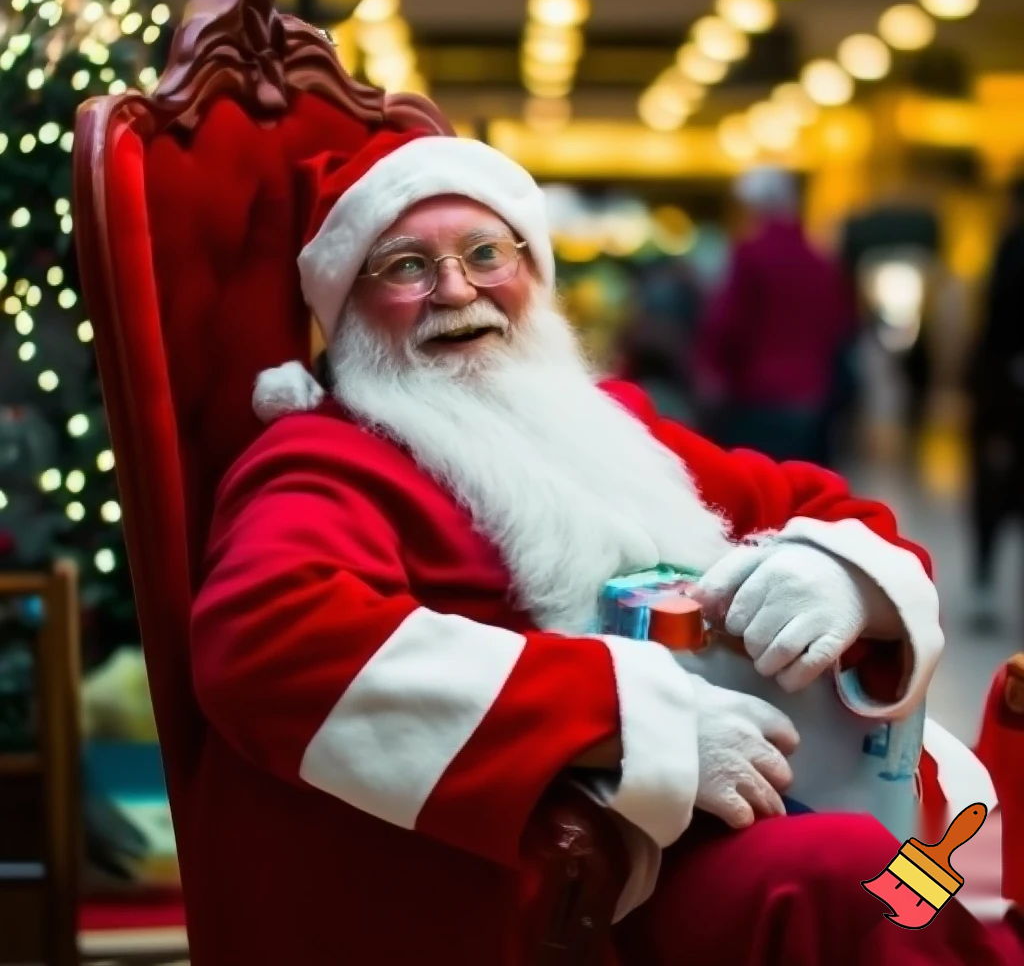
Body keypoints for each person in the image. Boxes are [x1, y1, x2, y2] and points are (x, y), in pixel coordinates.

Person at [188, 129, 1011, 965]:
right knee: (857, 878)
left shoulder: (603, 417)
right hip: (560, 880)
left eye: (485, 253)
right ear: (348, 310)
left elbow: (826, 504)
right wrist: (629, 722)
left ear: (532, 274)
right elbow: (265, 640)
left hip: (738, 811)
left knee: (927, 876)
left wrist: (837, 579)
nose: (455, 288)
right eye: (405, 266)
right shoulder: (326, 459)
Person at [695, 166, 856, 465]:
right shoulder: (820, 261)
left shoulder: (750, 255)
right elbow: (839, 324)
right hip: (810, 395)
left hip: (757, 394)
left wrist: (712, 370)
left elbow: (728, 323)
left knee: (759, 487)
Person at [967, 178, 1024, 623]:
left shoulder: (1011, 249)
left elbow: (994, 331)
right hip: (1005, 397)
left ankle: (986, 582)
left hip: (1005, 403)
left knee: (994, 495)